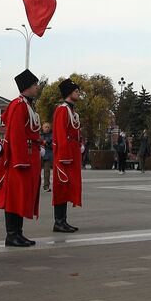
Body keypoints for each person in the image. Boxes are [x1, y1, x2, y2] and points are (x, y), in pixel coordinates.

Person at [0, 69, 42, 247]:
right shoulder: (18, 105)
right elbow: (15, 134)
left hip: (30, 155)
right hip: (21, 158)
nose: (37, 87)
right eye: (34, 85)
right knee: (15, 197)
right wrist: (20, 159)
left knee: (23, 196)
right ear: (27, 87)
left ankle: (18, 232)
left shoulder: (28, 105)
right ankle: (12, 234)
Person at [51, 78, 85, 231]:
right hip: (65, 155)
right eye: (75, 90)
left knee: (68, 187)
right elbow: (60, 133)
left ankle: (62, 220)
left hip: (72, 152)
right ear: (68, 93)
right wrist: (64, 156)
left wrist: (79, 145)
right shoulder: (62, 109)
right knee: (61, 187)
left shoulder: (71, 110)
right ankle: (58, 221)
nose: (78, 92)